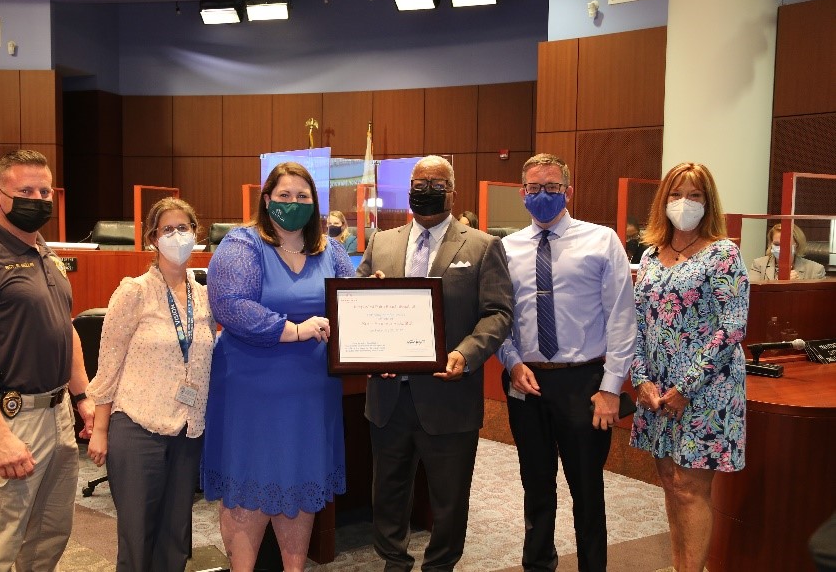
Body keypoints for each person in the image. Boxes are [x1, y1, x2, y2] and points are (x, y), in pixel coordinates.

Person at [0, 149, 96, 571]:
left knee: (49, 533)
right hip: (11, 418)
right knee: (0, 539)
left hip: (57, 412)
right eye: (25, 190)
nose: (38, 198)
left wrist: (83, 396)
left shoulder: (45, 251)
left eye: (45, 190)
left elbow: (65, 328)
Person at [356, 155, 514, 571]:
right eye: (418, 181)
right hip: (389, 393)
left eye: (436, 182)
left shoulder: (482, 246)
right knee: (387, 491)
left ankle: (441, 564)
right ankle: (393, 561)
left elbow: (498, 312)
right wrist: (370, 350)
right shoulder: (380, 243)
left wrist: (466, 352)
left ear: (452, 192)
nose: (425, 189)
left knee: (449, 496)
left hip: (450, 393)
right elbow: (354, 306)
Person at [202, 161, 355, 571]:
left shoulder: (331, 251)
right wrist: (296, 330)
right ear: (267, 200)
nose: (293, 203)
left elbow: (350, 304)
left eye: (302, 196)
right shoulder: (243, 245)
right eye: (284, 195)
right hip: (251, 391)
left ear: (314, 202)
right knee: (248, 488)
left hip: (309, 391)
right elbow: (231, 307)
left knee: (300, 485)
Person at [497, 153, 635, 572]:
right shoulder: (505, 248)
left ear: (568, 192)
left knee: (587, 490)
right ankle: (538, 564)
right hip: (527, 382)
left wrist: (611, 388)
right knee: (535, 486)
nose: (543, 195)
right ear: (523, 194)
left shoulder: (602, 240)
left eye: (552, 188)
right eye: (534, 188)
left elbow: (622, 317)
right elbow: (500, 317)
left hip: (584, 384)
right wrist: (512, 362)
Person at [86, 197, 217, 572]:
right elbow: (108, 365)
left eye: (185, 228)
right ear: (152, 239)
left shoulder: (206, 296)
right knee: (137, 534)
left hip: (188, 429)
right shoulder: (134, 292)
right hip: (137, 425)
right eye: (167, 230)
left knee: (176, 535)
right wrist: (100, 428)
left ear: (197, 234)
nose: (177, 236)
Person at [630, 162, 749, 572]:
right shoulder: (648, 255)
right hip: (658, 391)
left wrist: (687, 387)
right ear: (663, 200)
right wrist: (641, 379)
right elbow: (638, 322)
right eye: (677, 194)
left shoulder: (723, 254)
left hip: (705, 390)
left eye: (694, 195)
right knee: (670, 482)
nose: (684, 203)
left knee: (691, 488)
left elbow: (732, 327)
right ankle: (682, 566)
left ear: (708, 202)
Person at [748, 223, 825, 281]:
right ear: (771, 243)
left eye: (786, 244)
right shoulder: (758, 264)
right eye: (776, 244)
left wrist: (797, 286)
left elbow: (818, 300)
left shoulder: (816, 269)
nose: (781, 248)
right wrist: (779, 282)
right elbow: (751, 295)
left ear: (797, 245)